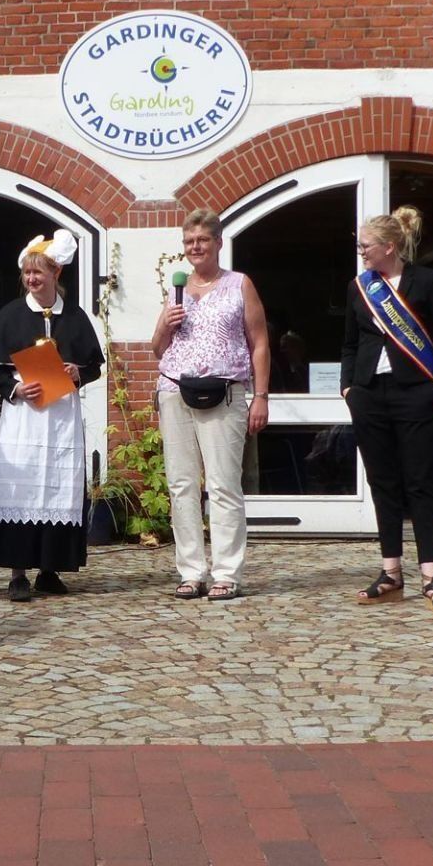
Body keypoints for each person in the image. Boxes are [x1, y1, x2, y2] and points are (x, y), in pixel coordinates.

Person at [0, 230, 105, 600]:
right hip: (21, 415)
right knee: (20, 486)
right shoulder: (11, 315)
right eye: (27, 273)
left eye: (39, 272)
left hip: (60, 416)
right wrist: (16, 388)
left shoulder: (74, 316)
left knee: (55, 487)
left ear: (56, 273)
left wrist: (77, 373)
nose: (32, 279)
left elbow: (93, 366)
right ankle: (18, 571)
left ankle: (50, 568)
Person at [150, 208, 271, 601]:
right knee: (181, 484)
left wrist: (261, 397)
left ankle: (227, 573)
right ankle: (191, 571)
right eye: (189, 242)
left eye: (202, 240)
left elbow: (260, 343)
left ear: (218, 243)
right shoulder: (176, 291)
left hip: (225, 392)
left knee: (222, 484)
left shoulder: (239, 284)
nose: (195, 248)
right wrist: (164, 324)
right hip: (175, 390)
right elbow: (157, 349)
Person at [341, 205, 433, 609]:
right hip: (370, 394)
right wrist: (348, 388)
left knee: (421, 483)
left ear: (390, 247)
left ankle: (431, 575)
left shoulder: (426, 282)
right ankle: (391, 571)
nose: (362, 252)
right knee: (382, 482)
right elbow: (350, 343)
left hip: (416, 393)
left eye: (366, 246)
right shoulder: (360, 288)